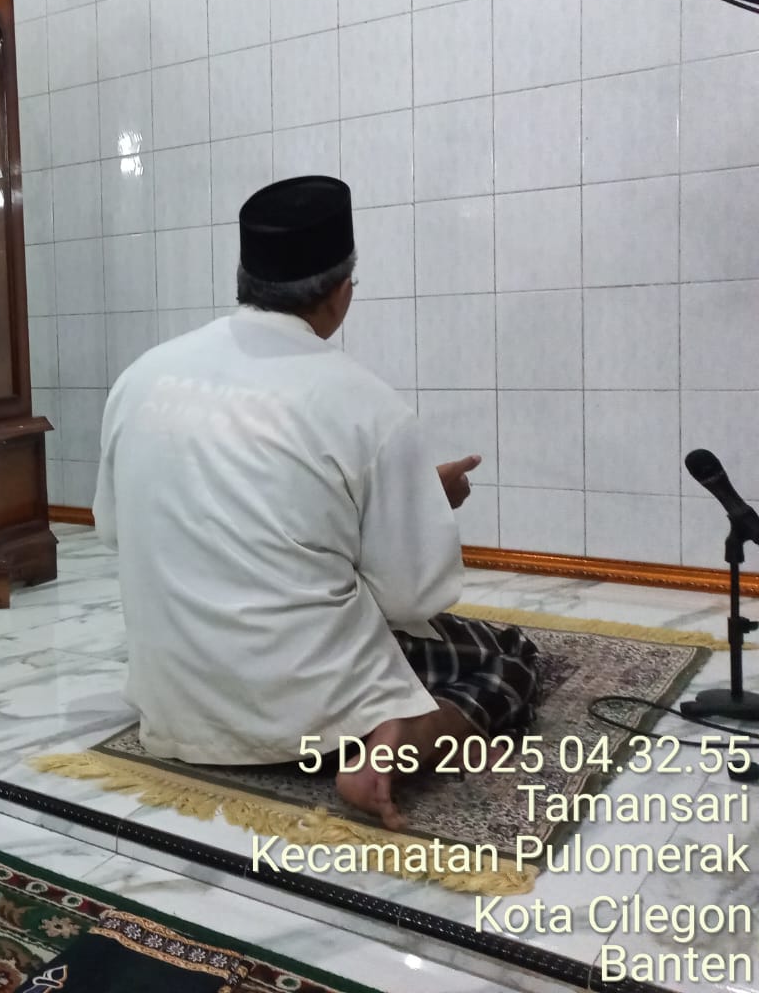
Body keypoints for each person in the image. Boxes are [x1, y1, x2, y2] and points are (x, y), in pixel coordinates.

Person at [93, 175, 539, 830]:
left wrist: (404, 497)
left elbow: (111, 530)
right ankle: (396, 745)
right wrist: (423, 507)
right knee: (508, 657)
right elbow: (411, 599)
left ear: (244, 279)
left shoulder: (142, 376)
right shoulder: (367, 405)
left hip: (173, 709)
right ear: (341, 292)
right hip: (313, 724)